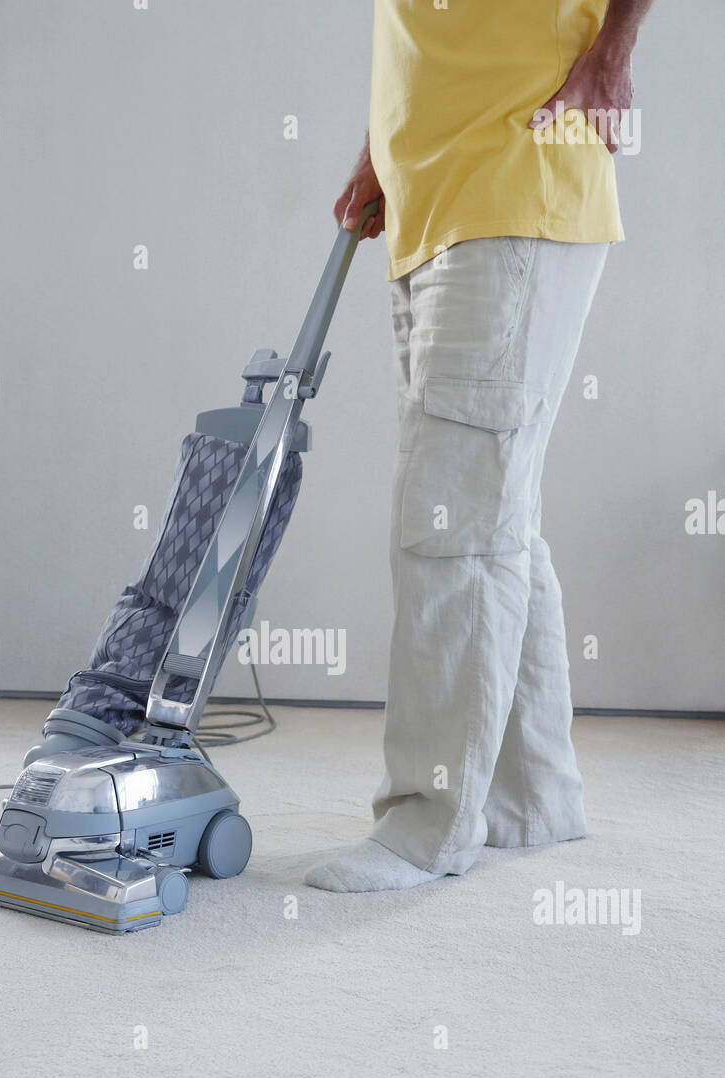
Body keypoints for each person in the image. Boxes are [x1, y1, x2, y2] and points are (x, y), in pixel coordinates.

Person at [305, 0, 653, 894]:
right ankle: (532, 799)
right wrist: (386, 141)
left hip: (514, 168)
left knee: (450, 521)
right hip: (436, 188)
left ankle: (429, 822)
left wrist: (614, 51)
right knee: (494, 515)